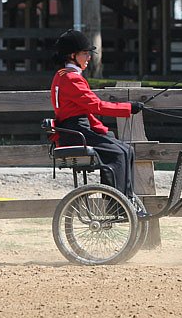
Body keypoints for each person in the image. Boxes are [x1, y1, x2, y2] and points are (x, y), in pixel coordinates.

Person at [50, 29, 144, 206]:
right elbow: (97, 106)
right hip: (77, 131)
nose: (89, 57)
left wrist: (102, 129)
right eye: (85, 53)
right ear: (72, 55)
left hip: (76, 128)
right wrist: (128, 108)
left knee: (125, 149)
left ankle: (124, 198)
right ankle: (117, 205)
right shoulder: (72, 79)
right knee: (119, 153)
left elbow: (84, 110)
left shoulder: (61, 75)